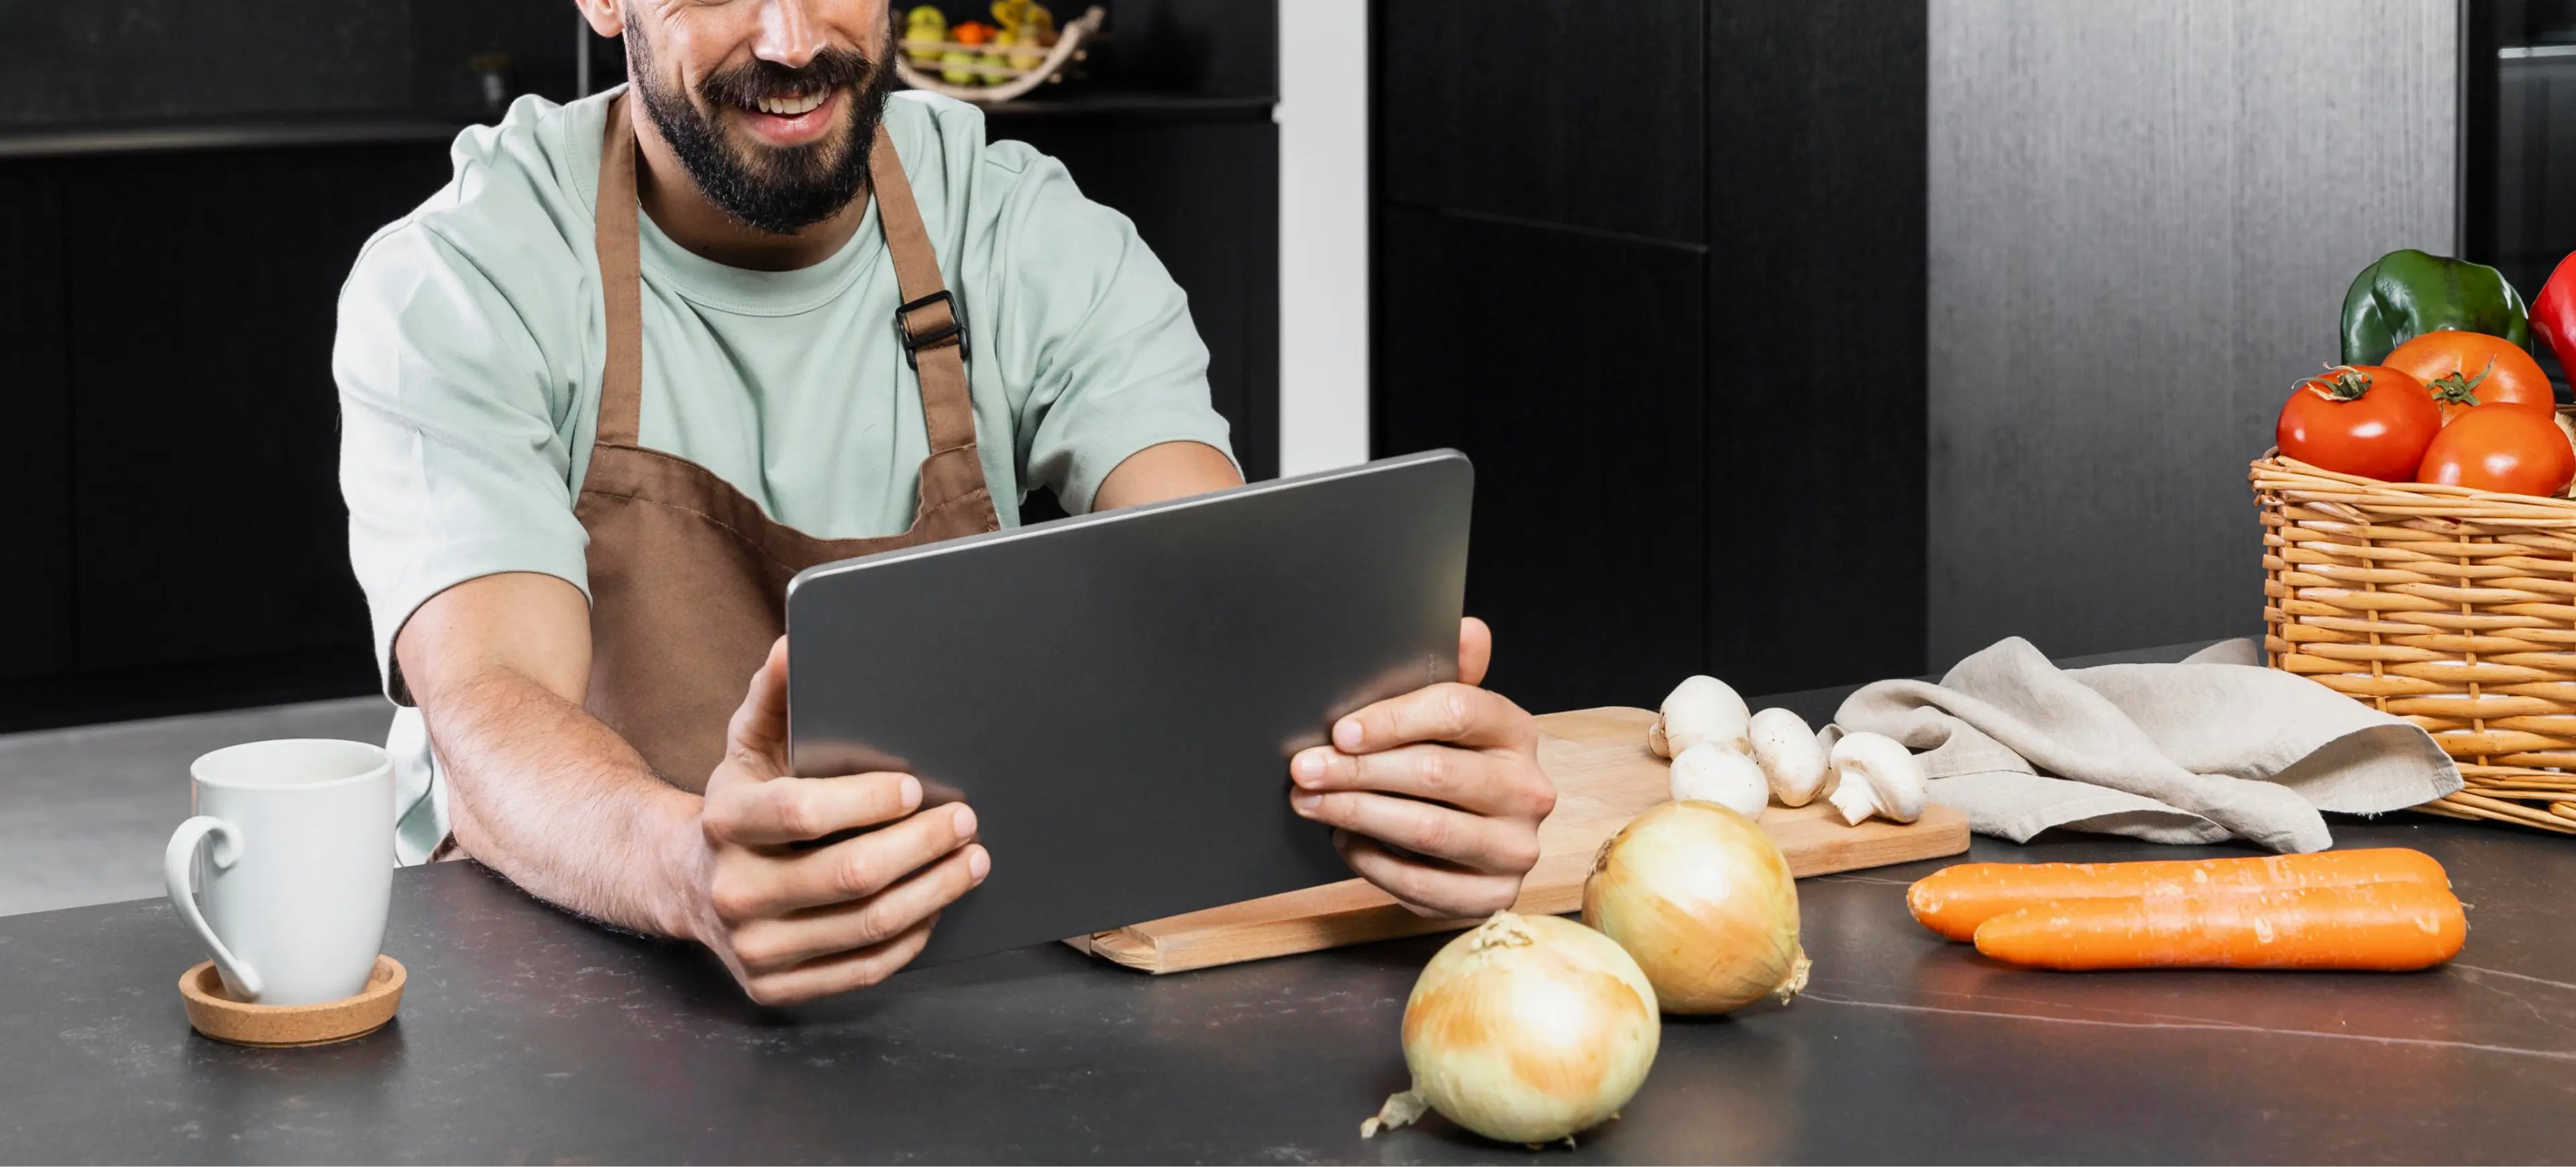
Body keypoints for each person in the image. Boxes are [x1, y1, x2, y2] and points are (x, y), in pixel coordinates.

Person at [333, 0, 1552, 1005]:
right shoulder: (466, 274)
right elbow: (487, 708)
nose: (789, 38)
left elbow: (1215, 599)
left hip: (940, 970)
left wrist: (1392, 784)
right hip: (563, 983)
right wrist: (684, 866)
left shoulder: (1031, 235)